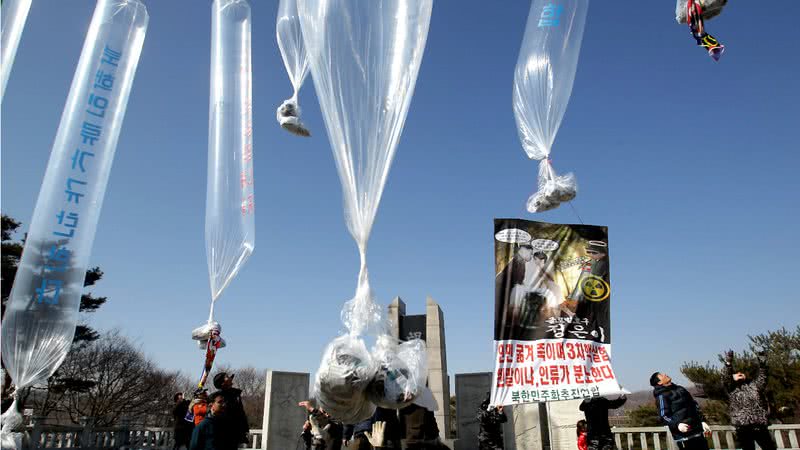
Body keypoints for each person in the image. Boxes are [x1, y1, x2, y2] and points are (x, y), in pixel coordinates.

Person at [723, 350, 776, 450]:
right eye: (736, 373)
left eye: (741, 373)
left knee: (769, 447)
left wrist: (763, 364)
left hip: (759, 424)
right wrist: (728, 363)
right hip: (743, 426)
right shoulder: (731, 388)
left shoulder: (754, 386)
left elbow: (763, 378)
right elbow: (726, 377)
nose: (739, 374)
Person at [650, 372, 711, 450]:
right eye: (662, 375)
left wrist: (702, 420)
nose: (665, 374)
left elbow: (694, 404)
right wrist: (677, 425)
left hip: (698, 431)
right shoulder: (661, 396)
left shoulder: (680, 388)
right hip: (684, 436)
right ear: (659, 382)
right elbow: (664, 416)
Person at [213, 372, 250, 447]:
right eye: (227, 377)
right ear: (222, 383)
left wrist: (245, 429)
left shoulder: (235, 394)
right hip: (222, 433)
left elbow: (241, 413)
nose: (230, 378)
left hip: (235, 433)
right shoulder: (216, 397)